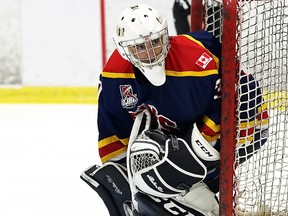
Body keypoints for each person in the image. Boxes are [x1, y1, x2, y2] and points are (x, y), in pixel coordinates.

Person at [81, 4, 268, 216]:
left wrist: (192, 154)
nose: (149, 52)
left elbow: (242, 95)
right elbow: (113, 132)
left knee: (163, 171)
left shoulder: (196, 61)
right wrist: (128, 187)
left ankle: (200, 202)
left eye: (154, 42)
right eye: (139, 47)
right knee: (148, 159)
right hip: (182, 135)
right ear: (125, 49)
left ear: (165, 37)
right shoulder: (114, 76)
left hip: (246, 128)